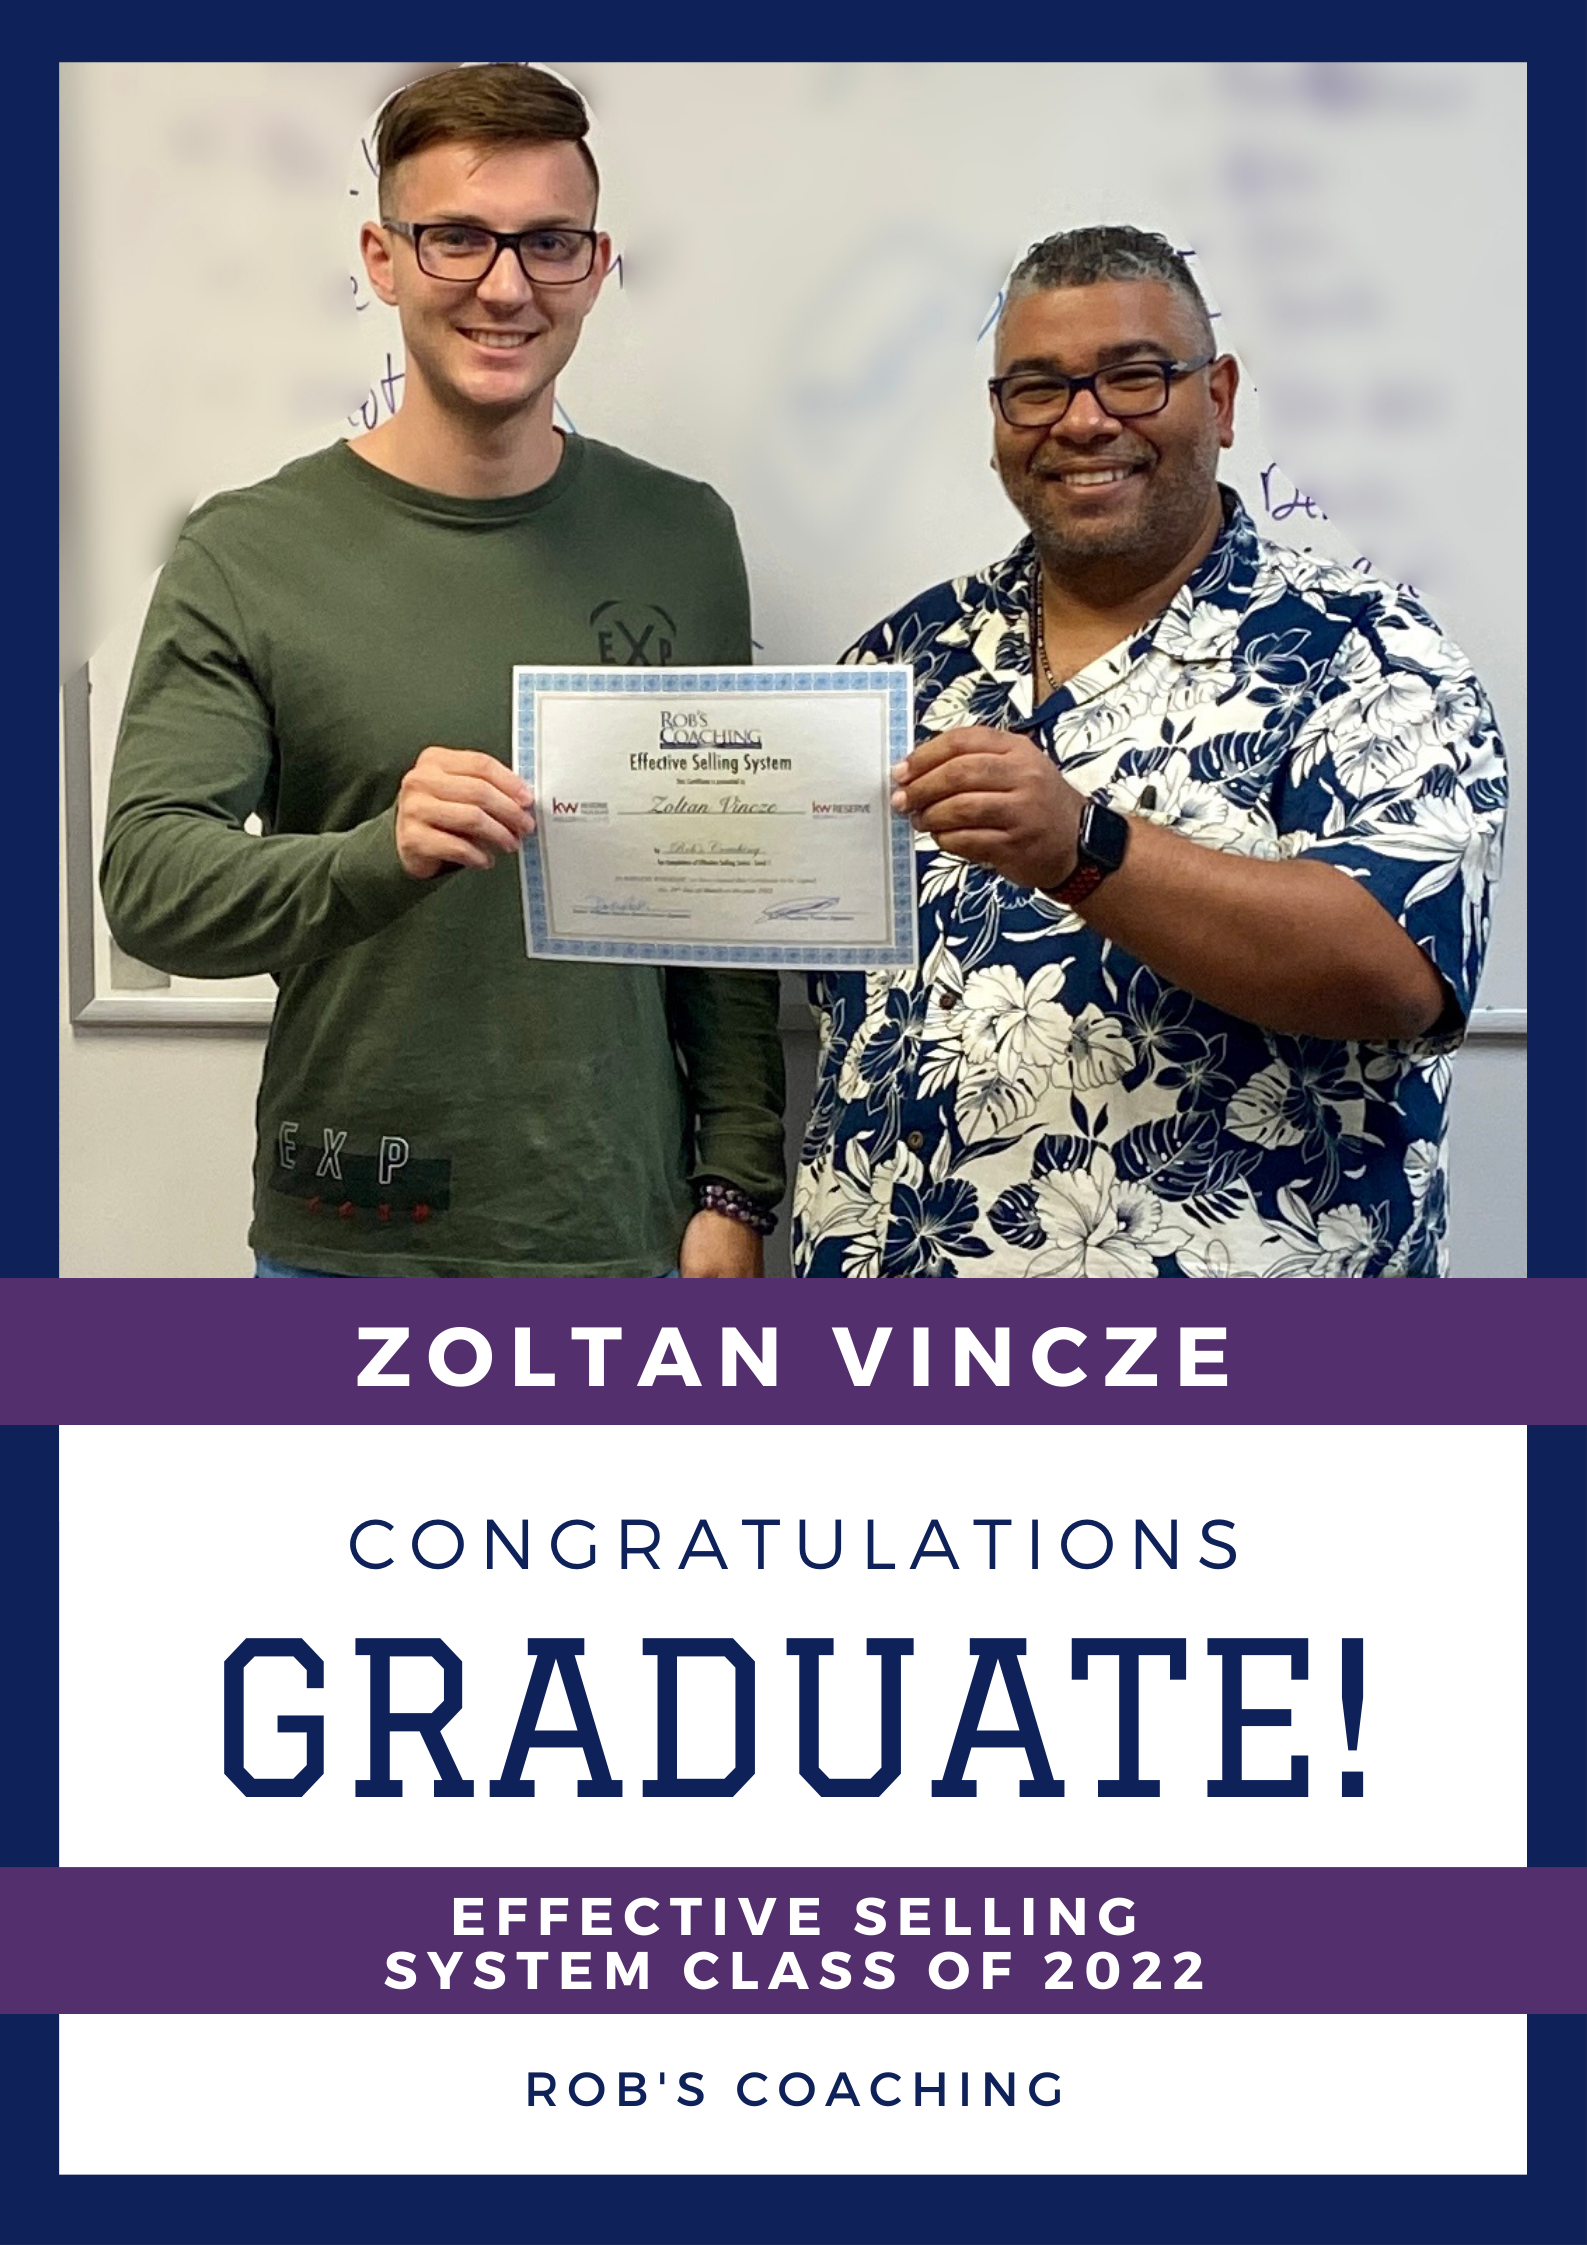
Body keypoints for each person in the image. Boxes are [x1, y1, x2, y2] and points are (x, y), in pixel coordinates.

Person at [100, 62, 784, 1278]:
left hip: (619, 1236)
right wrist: (382, 854)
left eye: (548, 243)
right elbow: (152, 884)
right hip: (351, 1238)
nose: (505, 287)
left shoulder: (683, 536)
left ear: (595, 264)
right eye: (457, 238)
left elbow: (718, 895)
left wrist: (737, 1185)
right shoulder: (246, 551)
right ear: (384, 258)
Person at [793, 226, 1504, 1279]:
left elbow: (1394, 973)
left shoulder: (1363, 653)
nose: (1083, 421)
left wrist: (1085, 849)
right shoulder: (903, 658)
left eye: (1133, 377)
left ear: (1218, 397)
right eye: (1037, 388)